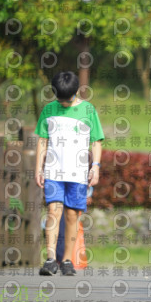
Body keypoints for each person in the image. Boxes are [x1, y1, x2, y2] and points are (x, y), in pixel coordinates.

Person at [35, 71, 104, 276]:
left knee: (72, 216)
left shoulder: (88, 110)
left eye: (68, 99)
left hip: (77, 174)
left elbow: (96, 141)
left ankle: (66, 260)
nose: (63, 103)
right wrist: (38, 167)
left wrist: (96, 166)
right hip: (54, 172)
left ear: (76, 92)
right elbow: (42, 141)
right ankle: (49, 259)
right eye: (60, 99)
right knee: (53, 212)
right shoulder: (49, 109)